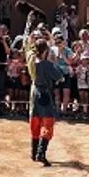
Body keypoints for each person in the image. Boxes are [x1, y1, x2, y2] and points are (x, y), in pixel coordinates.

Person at [24, 13, 62, 167]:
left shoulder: (30, 58)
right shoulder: (46, 64)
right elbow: (59, 77)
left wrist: (28, 25)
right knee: (48, 123)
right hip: (45, 92)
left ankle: (34, 152)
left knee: (35, 121)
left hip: (34, 91)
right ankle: (41, 153)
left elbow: (27, 46)